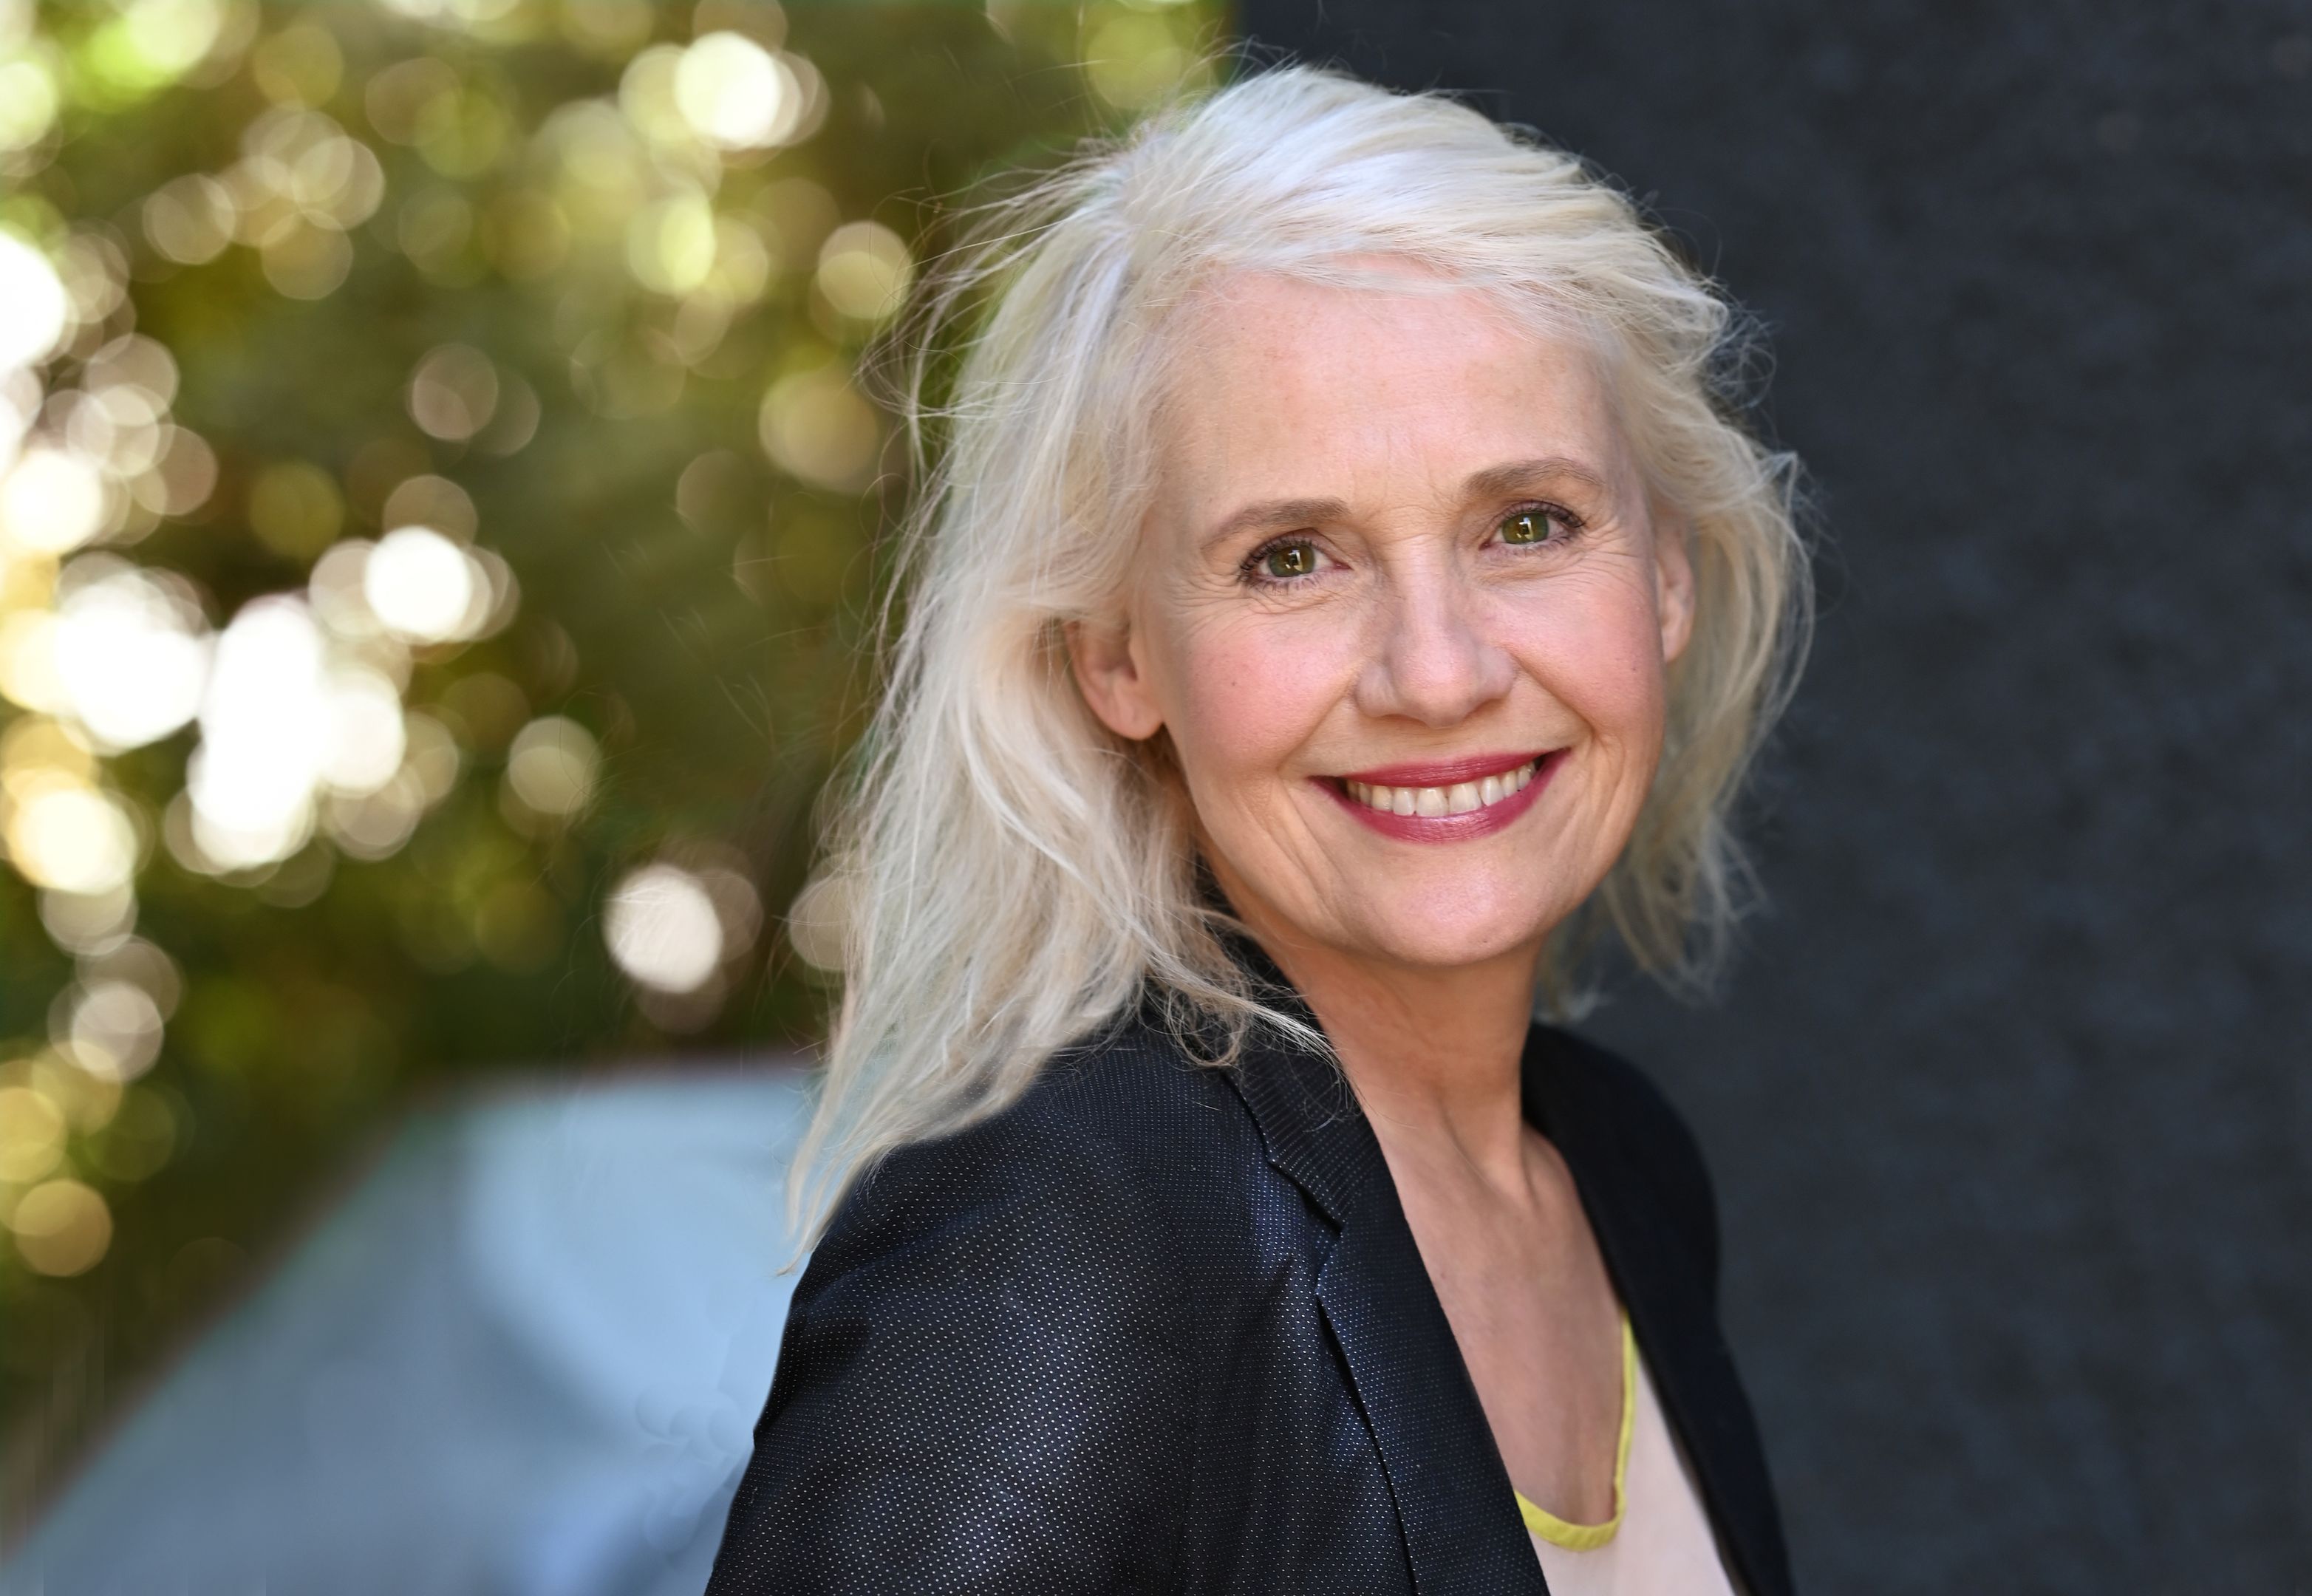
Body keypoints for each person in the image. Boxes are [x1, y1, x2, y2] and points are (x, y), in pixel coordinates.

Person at [707, 64, 1810, 1596]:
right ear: (1117, 658)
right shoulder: (1058, 1234)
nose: (1438, 673)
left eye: (1528, 525)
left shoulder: (1622, 1167)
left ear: (1665, 578)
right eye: (1291, 557)